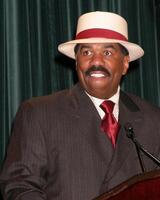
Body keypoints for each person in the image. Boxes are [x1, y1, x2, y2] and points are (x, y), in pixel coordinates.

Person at [0, 11, 160, 200]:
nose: (96, 61)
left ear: (125, 63)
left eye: (107, 52)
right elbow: (20, 187)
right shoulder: (38, 113)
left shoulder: (153, 119)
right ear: (76, 62)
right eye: (86, 52)